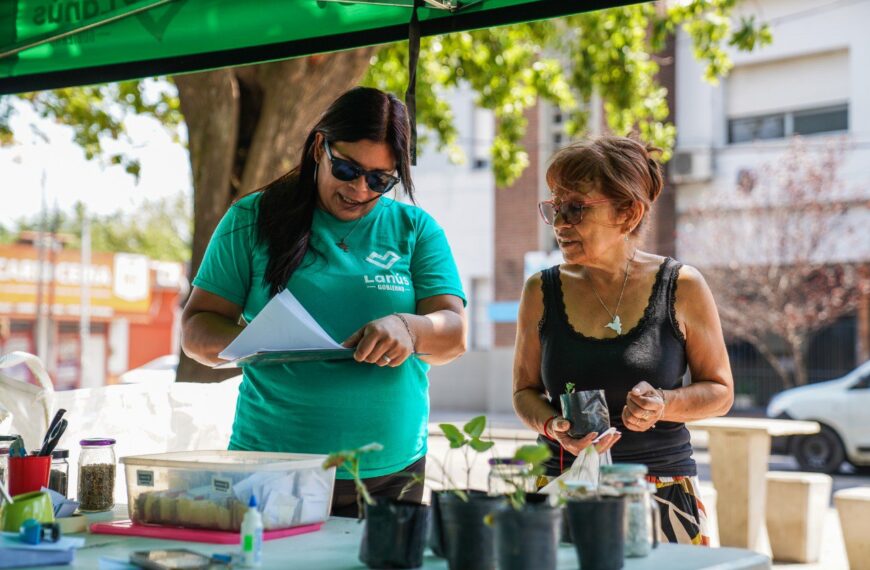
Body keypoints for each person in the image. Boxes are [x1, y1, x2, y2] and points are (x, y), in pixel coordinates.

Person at [181, 87, 467, 517]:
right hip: (273, 465)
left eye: (379, 180)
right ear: (320, 146)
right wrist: (253, 341)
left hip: (391, 472)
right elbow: (196, 328)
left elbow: (454, 333)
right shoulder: (252, 218)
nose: (359, 189)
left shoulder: (416, 229)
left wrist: (410, 328)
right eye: (347, 169)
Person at [512, 135, 734, 545]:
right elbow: (524, 391)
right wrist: (553, 426)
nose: (560, 222)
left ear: (628, 214)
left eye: (576, 208)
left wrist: (665, 403)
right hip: (559, 484)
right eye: (556, 207)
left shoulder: (682, 286)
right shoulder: (539, 291)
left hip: (662, 490)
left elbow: (720, 392)